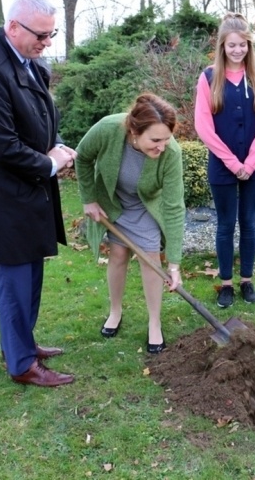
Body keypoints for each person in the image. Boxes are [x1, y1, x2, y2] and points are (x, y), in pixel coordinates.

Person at [0, 0, 77, 387]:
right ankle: (22, 365)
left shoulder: (31, 65)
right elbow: (0, 144)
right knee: (14, 283)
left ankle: (21, 344)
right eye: (41, 36)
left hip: (29, 195)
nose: (47, 44)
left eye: (51, 35)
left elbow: (43, 118)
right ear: (13, 27)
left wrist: (56, 145)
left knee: (30, 276)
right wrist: (49, 163)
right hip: (3, 199)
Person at [75, 93, 185, 354]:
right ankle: (115, 311)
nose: (161, 146)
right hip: (114, 202)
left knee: (150, 259)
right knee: (118, 254)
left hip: (145, 204)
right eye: (155, 140)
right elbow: (82, 157)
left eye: (167, 138)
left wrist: (175, 263)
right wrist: (89, 199)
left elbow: (173, 207)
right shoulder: (108, 129)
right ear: (134, 131)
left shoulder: (171, 153)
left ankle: (154, 323)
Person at [194, 13, 255, 308]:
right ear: (222, 46)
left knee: (249, 223)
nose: (238, 50)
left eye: (243, 45)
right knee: (226, 225)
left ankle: (247, 281)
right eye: (232, 45)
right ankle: (226, 283)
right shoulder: (208, 78)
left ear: (249, 45)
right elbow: (204, 126)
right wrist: (232, 162)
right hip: (222, 165)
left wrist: (251, 163)